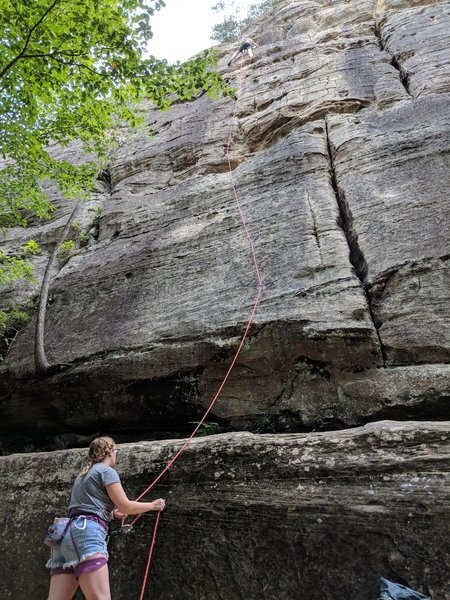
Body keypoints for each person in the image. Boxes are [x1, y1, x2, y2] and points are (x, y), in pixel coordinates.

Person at [46, 436, 165, 600]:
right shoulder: (107, 472)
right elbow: (126, 507)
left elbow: (84, 507)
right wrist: (153, 505)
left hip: (65, 536)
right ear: (110, 452)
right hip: (87, 535)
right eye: (116, 451)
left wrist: (112, 514)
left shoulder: (83, 475)